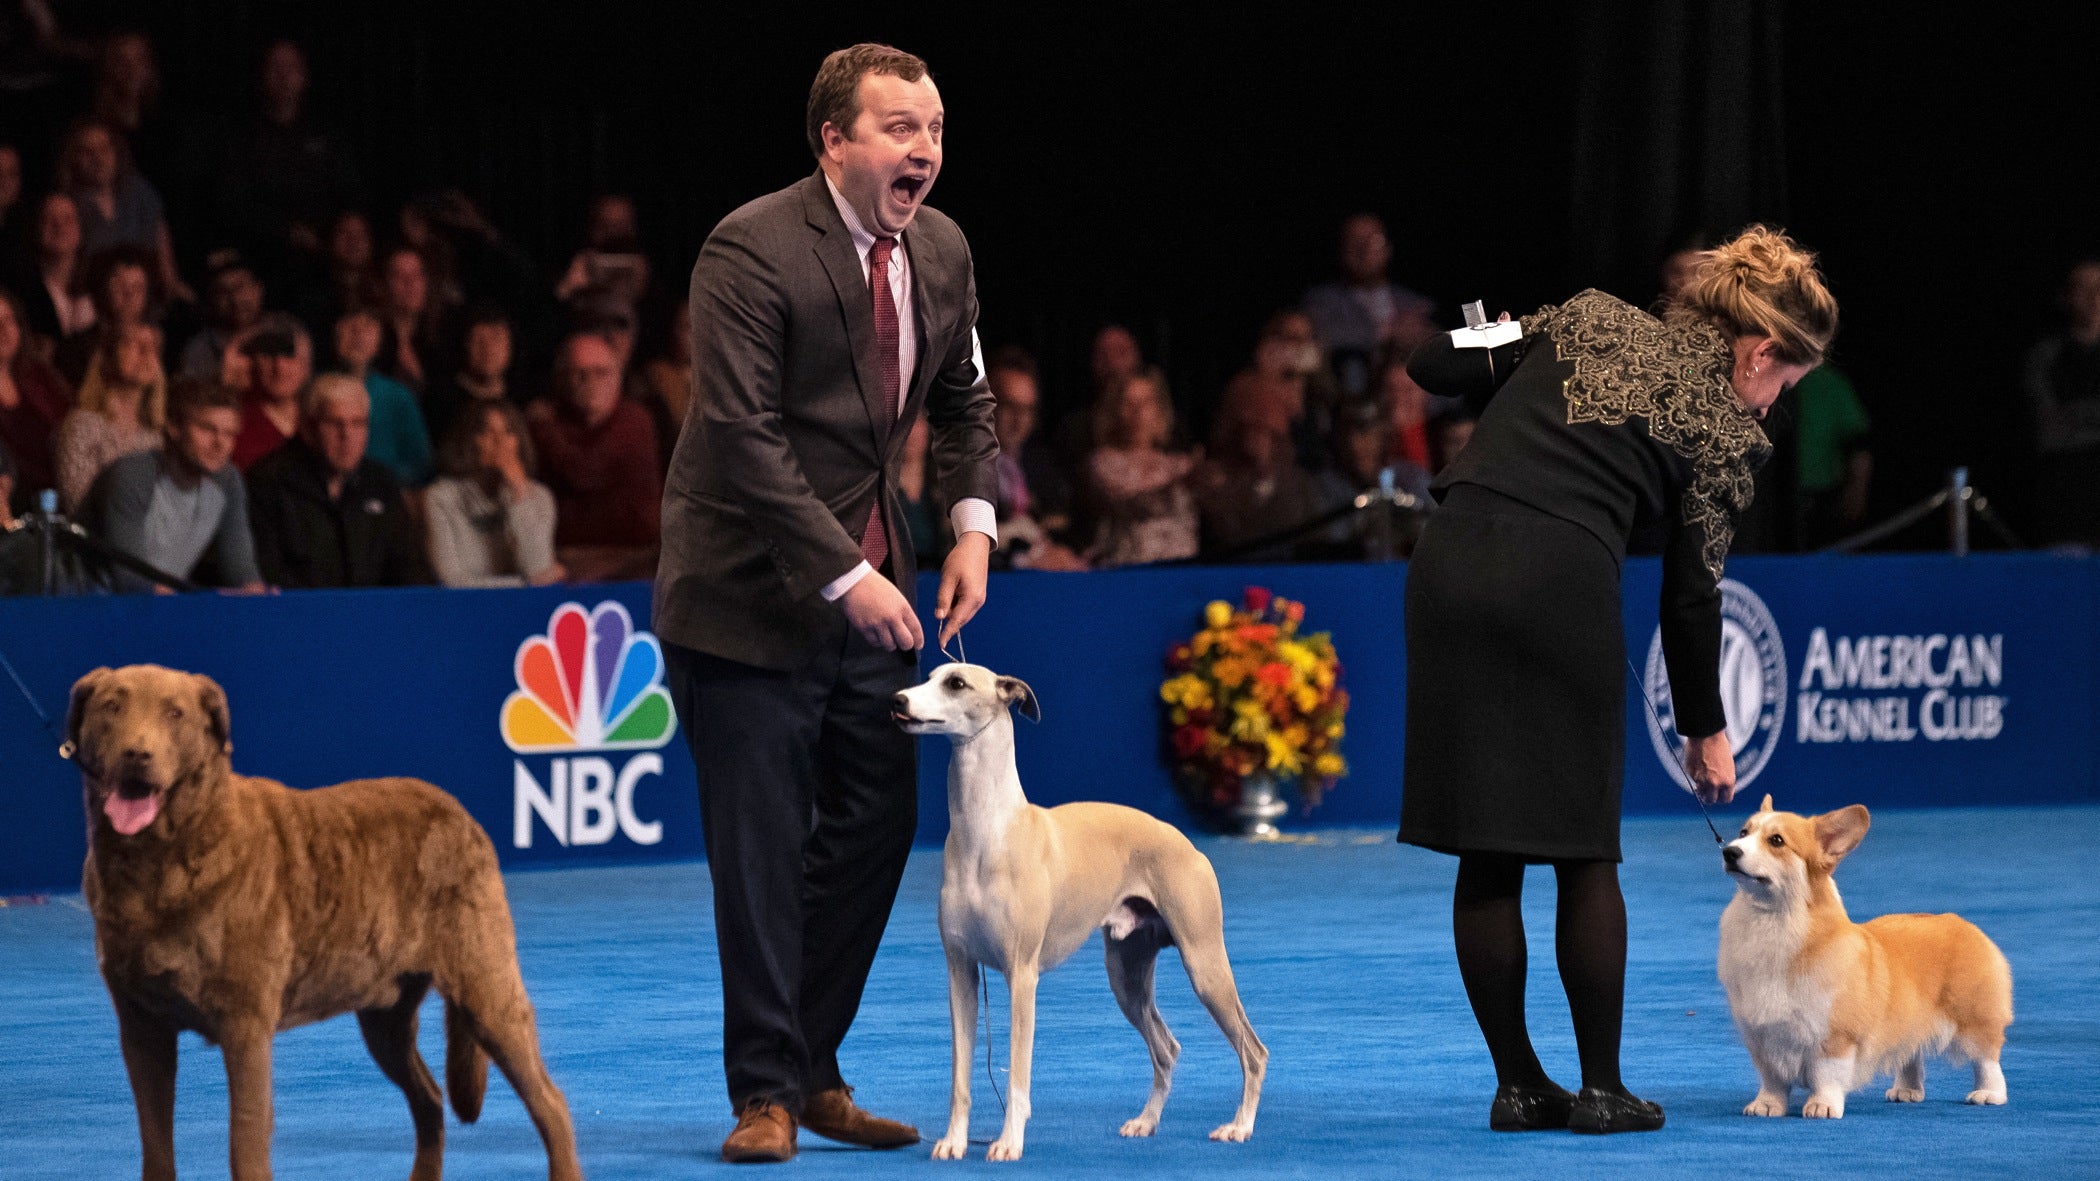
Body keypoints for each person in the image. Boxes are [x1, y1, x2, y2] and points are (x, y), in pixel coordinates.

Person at [1398, 225, 1837, 1134]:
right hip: (1557, 581)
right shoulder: (1725, 430)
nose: (1769, 409)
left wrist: (1509, 336)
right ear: (1759, 352)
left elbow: (1430, 363)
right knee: (1580, 851)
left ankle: (1518, 1084)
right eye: (1782, 386)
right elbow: (1691, 596)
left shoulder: (1589, 318)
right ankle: (1602, 1089)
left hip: (1449, 560)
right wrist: (1706, 727)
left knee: (1489, 847)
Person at [652, 43, 998, 1163]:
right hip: (745, 597)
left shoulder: (941, 249)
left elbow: (963, 403)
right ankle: (764, 1092)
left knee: (877, 822)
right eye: (900, 128)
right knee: (757, 854)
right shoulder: (749, 247)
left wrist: (970, 529)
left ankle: (812, 1066)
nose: (925, 149)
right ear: (834, 142)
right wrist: (850, 577)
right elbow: (740, 438)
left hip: (875, 579)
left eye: (935, 128)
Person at [244, 372, 429, 588]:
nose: (347, 435)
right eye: (334, 423)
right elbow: (268, 577)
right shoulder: (267, 483)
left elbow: (410, 571)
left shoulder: (380, 483)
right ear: (308, 429)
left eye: (358, 423)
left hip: (371, 616)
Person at [81, 376, 264, 591]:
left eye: (229, 434)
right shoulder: (133, 475)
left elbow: (242, 572)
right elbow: (132, 580)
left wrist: (256, 595)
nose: (220, 444)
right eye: (207, 429)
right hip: (81, 605)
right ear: (174, 427)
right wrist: (207, 601)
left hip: (160, 609)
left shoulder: (228, 481)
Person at [527, 330, 660, 581]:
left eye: (601, 372)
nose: (591, 382)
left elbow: (585, 473)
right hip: (566, 557)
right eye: (580, 373)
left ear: (618, 377)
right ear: (561, 379)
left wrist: (545, 429)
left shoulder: (634, 420)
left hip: (632, 559)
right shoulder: (553, 422)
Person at [423, 399, 561, 587]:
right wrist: (524, 584)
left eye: (508, 432)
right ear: (468, 441)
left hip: (525, 610)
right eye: (487, 432)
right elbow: (451, 582)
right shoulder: (441, 498)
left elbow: (538, 570)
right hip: (465, 610)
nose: (500, 441)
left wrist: (518, 496)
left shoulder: (539, 497)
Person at [1302, 213, 1439, 399]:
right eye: (1355, 241)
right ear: (1342, 249)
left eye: (1373, 240)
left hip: (1410, 395)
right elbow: (1322, 338)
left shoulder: (1412, 302)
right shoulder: (1323, 300)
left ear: (1388, 248)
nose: (1364, 248)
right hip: (1353, 395)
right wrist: (1388, 332)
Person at [1085, 366, 1199, 567]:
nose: (1138, 413)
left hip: (1181, 572)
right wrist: (1178, 484)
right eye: (1129, 403)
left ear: (1159, 410)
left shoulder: (1180, 465)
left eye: (1146, 403)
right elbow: (1128, 504)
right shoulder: (1104, 463)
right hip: (1129, 573)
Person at [2022, 258, 2100, 548]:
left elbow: (2067, 421)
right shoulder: (2045, 357)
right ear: (2065, 297)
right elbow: (2049, 430)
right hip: (2067, 506)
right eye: (2084, 288)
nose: (2094, 298)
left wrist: (2077, 413)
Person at [54, 319, 161, 510]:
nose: (146, 352)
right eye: (131, 343)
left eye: (153, 346)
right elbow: (77, 502)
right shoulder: (83, 425)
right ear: (108, 357)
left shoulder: (155, 435)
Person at [327, 305, 431, 485]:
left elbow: (419, 463)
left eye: (367, 327)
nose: (358, 335)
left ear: (379, 341)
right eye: (350, 326)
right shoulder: (316, 392)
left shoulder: (397, 396)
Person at [0, 286, 69, 509]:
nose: (3, 330)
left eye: (9, 320)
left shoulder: (40, 377)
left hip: (57, 496)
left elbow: (70, 428)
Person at [229, 315, 309, 469]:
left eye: (289, 357)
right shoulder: (235, 419)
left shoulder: (319, 416)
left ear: (305, 365)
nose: (280, 367)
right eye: (268, 357)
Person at [178, 249, 267, 378]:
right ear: (210, 302)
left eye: (240, 287)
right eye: (222, 292)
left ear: (258, 289)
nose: (235, 299)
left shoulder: (286, 333)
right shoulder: (199, 352)